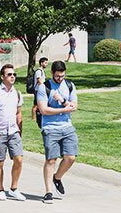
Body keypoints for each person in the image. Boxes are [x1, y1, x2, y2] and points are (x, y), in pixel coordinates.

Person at [37, 61, 78, 204]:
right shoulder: (44, 87)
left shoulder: (69, 85)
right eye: (57, 76)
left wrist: (63, 101)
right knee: (51, 160)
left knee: (71, 157)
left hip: (67, 127)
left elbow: (74, 106)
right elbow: (43, 110)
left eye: (62, 76)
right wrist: (63, 109)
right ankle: (48, 192)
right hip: (50, 128)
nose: (60, 78)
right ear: (52, 73)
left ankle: (57, 177)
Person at [0, 64, 25, 201]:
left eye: (14, 74)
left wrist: (20, 130)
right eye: (9, 74)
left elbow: (19, 113)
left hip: (13, 131)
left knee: (19, 159)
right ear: (2, 77)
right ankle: (0, 189)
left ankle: (14, 189)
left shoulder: (17, 93)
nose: (12, 76)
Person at [32, 57, 49, 122]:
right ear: (41, 63)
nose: (46, 64)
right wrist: (44, 86)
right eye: (45, 63)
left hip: (41, 90)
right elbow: (39, 80)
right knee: (36, 105)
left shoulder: (42, 71)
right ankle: (33, 118)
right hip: (38, 90)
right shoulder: (38, 71)